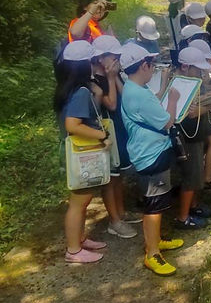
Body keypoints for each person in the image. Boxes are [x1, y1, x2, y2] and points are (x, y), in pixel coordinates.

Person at [119, 43, 185, 276]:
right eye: (152, 66)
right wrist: (175, 99)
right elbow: (168, 121)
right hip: (151, 154)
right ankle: (152, 253)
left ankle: (156, 240)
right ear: (144, 66)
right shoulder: (139, 94)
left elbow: (153, 102)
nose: (153, 70)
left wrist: (165, 87)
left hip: (146, 150)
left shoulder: (132, 87)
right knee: (154, 206)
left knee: (156, 201)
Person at [54, 41, 111, 263]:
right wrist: (102, 136)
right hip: (79, 153)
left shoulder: (68, 88)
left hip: (73, 151)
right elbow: (73, 124)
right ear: (83, 65)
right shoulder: (80, 92)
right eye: (91, 61)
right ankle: (74, 250)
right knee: (79, 202)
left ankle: (80, 238)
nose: (93, 64)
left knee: (83, 200)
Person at [90, 35, 139, 239]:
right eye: (114, 56)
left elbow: (125, 95)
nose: (117, 59)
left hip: (119, 129)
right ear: (101, 58)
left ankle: (121, 212)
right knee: (110, 178)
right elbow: (110, 104)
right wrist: (111, 77)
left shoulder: (113, 75)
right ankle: (114, 221)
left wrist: (116, 76)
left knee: (119, 176)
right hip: (105, 132)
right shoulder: (95, 80)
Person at [173, 47, 211, 229]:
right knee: (191, 177)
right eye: (197, 69)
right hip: (187, 137)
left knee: (197, 174)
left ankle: (194, 205)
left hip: (197, 135)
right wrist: (206, 107)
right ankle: (183, 217)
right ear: (184, 67)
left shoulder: (192, 82)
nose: (200, 73)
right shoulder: (178, 85)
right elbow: (187, 113)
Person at [187, 39, 211, 190]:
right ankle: (207, 177)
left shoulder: (197, 71)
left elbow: (204, 88)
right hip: (200, 114)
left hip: (204, 112)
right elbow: (195, 102)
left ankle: (205, 174)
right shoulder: (191, 75)